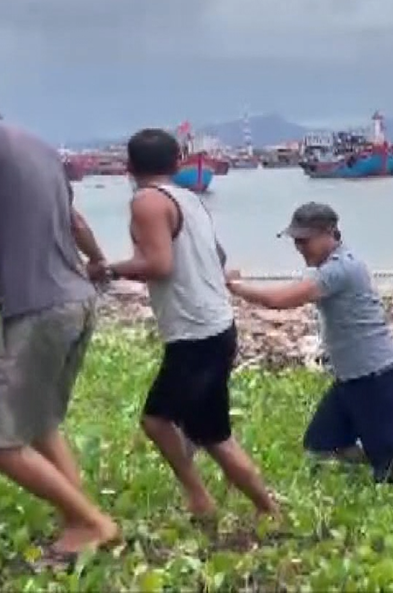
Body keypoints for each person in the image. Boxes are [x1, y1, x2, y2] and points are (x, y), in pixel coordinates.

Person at [0, 66, 120, 563]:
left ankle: (90, 522)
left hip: (36, 306)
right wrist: (99, 262)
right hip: (77, 301)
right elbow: (73, 220)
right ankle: (80, 521)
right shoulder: (34, 143)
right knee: (39, 423)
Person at [99, 129, 278, 521]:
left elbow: (160, 265)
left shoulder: (146, 201)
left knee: (159, 420)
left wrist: (105, 270)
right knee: (210, 433)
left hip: (194, 332)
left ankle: (202, 499)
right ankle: (264, 510)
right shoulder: (190, 199)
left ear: (127, 167)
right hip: (216, 324)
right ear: (178, 162)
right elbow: (217, 253)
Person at [226, 203, 393, 488]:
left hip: (379, 376)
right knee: (321, 445)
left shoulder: (342, 269)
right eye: (296, 241)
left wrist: (235, 287)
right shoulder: (329, 268)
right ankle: (386, 461)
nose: (299, 247)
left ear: (329, 233)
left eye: (304, 240)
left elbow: (280, 301)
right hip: (351, 379)